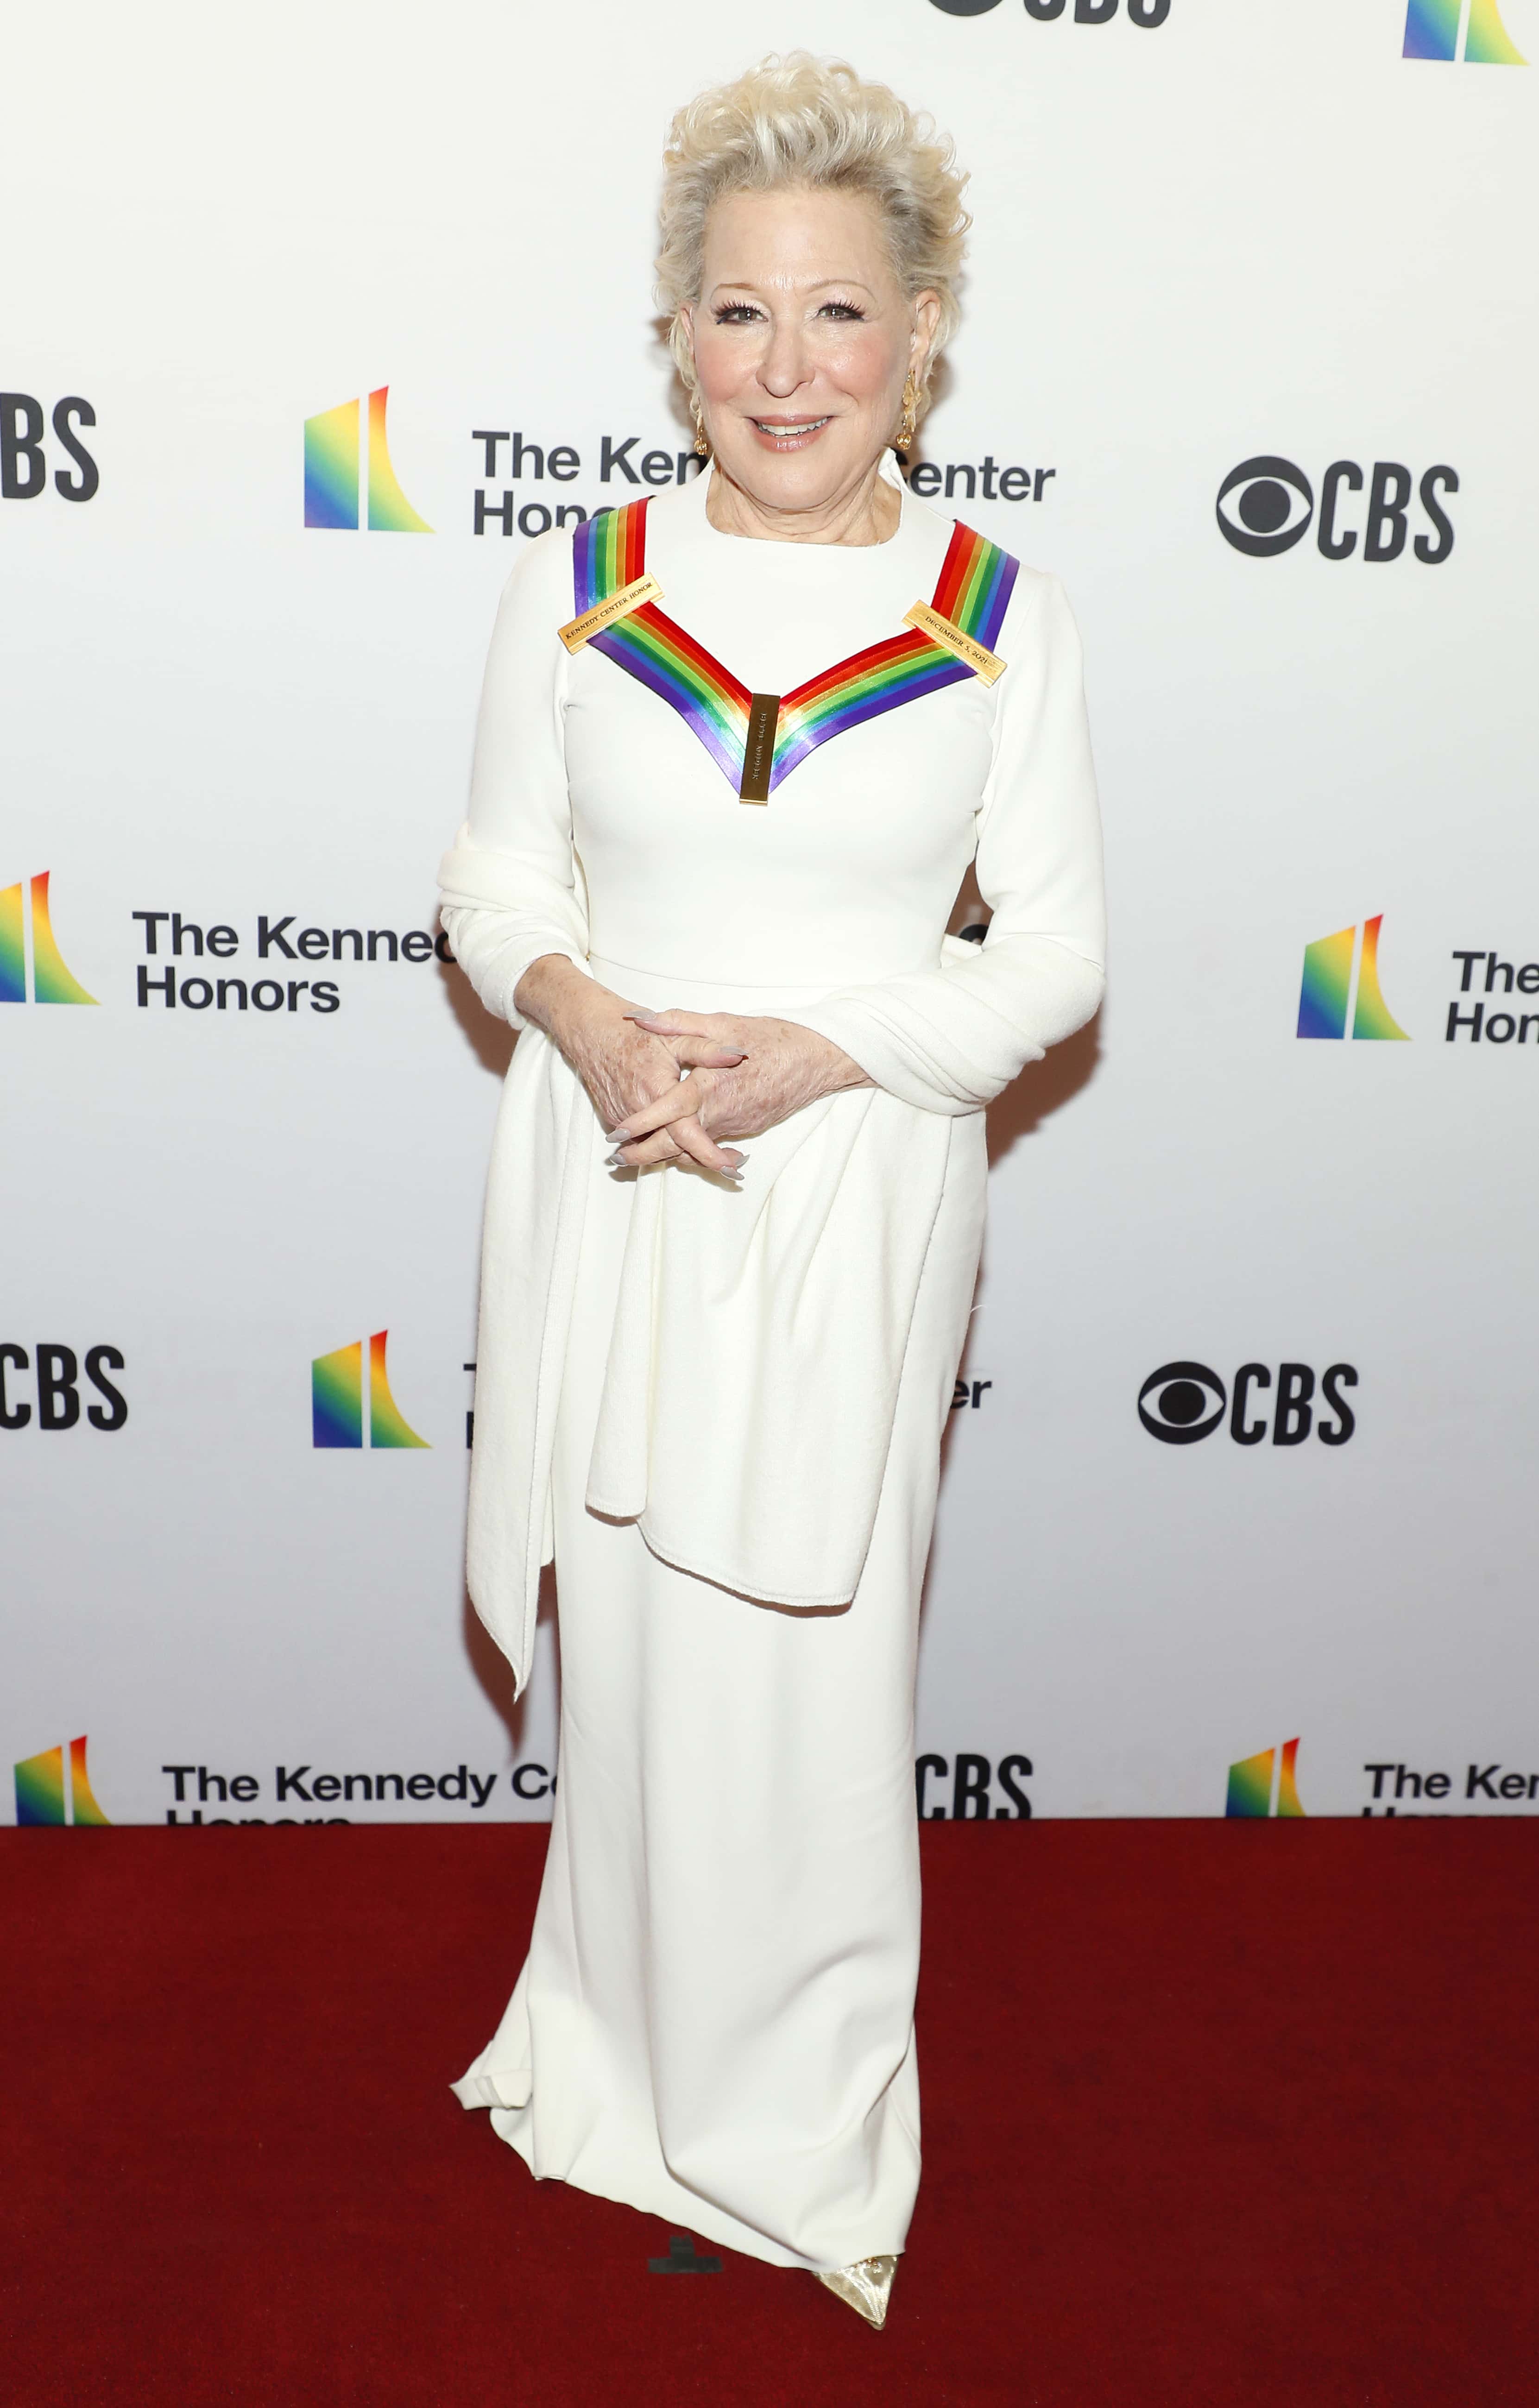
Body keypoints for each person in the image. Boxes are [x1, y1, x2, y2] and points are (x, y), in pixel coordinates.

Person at [440, 53, 1105, 2330]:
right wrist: (594, 1020)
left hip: (854, 1196)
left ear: (923, 334)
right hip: (624, 1170)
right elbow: (493, 881)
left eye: (838, 313)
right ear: (679, 334)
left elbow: (1060, 957)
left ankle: (808, 2139)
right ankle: (615, 2065)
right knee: (633, 1655)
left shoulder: (1003, 609)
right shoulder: (578, 578)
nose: (787, 367)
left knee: (807, 1673)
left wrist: (826, 1052)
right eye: (740, 313)